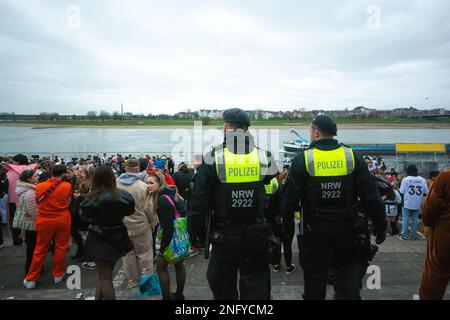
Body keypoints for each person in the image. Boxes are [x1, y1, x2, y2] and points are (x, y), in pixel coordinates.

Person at [281, 114, 386, 300]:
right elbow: (372, 197)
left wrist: (286, 229)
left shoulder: (302, 159)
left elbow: (289, 202)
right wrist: (380, 226)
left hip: (314, 233)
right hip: (348, 231)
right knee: (347, 282)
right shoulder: (352, 156)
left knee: (314, 283)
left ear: (315, 132)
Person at [189, 108, 278, 300]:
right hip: (256, 232)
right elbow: (272, 177)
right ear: (247, 130)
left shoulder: (213, 157)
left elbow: (199, 201)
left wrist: (194, 233)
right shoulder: (264, 156)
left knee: (221, 283)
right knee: (256, 283)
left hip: (225, 236)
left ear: (226, 127)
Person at [80, 165, 135, 300]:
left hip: (98, 236)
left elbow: (82, 218)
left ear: (96, 179)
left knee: (105, 277)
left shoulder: (90, 198)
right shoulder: (124, 195)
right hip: (118, 236)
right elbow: (130, 211)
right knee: (106, 274)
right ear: (112, 177)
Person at [23, 165, 73, 289]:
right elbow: (68, 202)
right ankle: (58, 274)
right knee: (61, 247)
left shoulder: (39, 186)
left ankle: (31, 278)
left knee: (40, 249)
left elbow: (37, 201)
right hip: (62, 219)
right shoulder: (67, 186)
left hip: (44, 220)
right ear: (63, 174)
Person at [147, 172, 186, 300]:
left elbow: (168, 227)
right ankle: (179, 295)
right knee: (179, 264)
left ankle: (166, 298)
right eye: (147, 183)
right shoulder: (169, 192)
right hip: (179, 236)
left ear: (159, 184)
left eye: (151, 183)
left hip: (171, 238)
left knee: (161, 266)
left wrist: (163, 249)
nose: (148, 186)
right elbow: (183, 210)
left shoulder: (162, 200)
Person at [117, 159, 155, 288]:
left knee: (128, 257)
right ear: (138, 169)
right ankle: (147, 283)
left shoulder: (116, 185)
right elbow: (149, 208)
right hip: (140, 226)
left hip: (122, 227)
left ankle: (132, 282)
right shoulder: (142, 186)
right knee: (145, 256)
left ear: (125, 168)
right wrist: (152, 222)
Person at [419, 170, 450, 300]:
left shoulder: (446, 177)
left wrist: (428, 224)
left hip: (445, 237)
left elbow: (429, 210)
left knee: (435, 277)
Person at [4, 154, 39, 245]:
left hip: (13, 199)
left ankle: (17, 241)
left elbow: (5, 187)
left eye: (13, 161)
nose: (12, 163)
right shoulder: (32, 171)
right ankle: (29, 240)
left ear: (17, 162)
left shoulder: (9, 173)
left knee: (15, 220)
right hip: (32, 198)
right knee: (31, 220)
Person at [14, 169, 39, 274]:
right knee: (33, 248)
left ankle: (30, 269)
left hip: (27, 222)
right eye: (35, 176)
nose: (37, 177)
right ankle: (31, 270)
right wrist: (40, 220)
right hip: (32, 224)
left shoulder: (23, 189)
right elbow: (33, 211)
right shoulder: (30, 192)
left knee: (31, 246)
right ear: (29, 179)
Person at [399, 164, 428, 240]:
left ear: (408, 171)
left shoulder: (406, 179)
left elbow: (401, 191)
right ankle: (413, 236)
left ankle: (404, 235)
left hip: (407, 202)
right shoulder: (422, 179)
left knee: (406, 219)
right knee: (415, 219)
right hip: (417, 202)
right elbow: (426, 192)